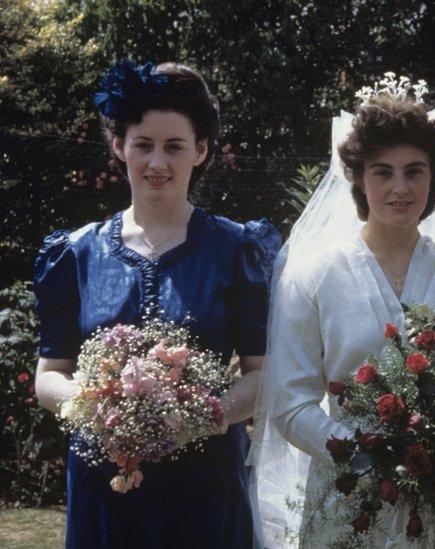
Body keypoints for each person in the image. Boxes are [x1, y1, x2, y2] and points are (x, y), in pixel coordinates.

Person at [249, 77, 435, 548]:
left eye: (414, 171)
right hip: (351, 500)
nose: (400, 188)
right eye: (383, 172)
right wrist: (368, 458)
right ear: (358, 179)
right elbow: (291, 402)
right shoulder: (314, 275)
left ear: (434, 178)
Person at [32, 59, 280, 548]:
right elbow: (49, 375)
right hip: (104, 479)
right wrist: (99, 414)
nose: (157, 163)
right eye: (143, 145)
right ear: (119, 146)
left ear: (201, 151)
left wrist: (197, 419)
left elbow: (262, 373)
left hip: (206, 483)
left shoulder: (237, 250)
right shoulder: (75, 254)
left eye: (174, 146)